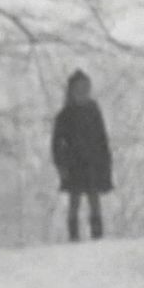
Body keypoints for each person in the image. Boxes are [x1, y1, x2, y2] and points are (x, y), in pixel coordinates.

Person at [51, 69, 113, 242]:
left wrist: (106, 161)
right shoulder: (64, 115)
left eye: (86, 87)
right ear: (72, 90)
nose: (83, 91)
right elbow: (56, 144)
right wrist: (61, 165)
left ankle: (97, 235)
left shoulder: (94, 111)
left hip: (93, 162)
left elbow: (102, 138)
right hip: (73, 165)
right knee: (74, 200)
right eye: (79, 87)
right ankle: (74, 237)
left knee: (94, 199)